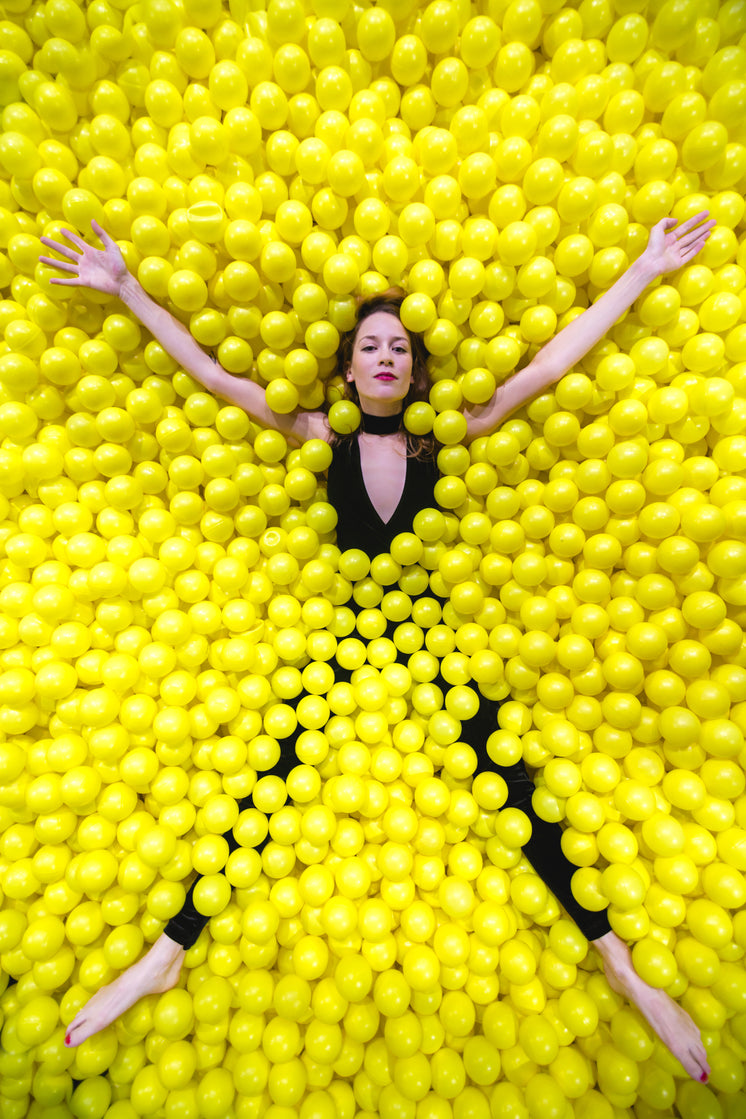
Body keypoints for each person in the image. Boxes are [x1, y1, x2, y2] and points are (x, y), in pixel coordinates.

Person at [40, 213, 714, 1080]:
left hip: (434, 646)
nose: (387, 356)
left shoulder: (449, 434)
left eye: (400, 345)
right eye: (371, 346)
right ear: (348, 364)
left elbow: (550, 365)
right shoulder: (319, 433)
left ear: (415, 365)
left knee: (514, 784)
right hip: (343, 643)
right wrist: (127, 287)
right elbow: (211, 373)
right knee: (271, 774)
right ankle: (165, 951)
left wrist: (645, 268)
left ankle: (626, 968)